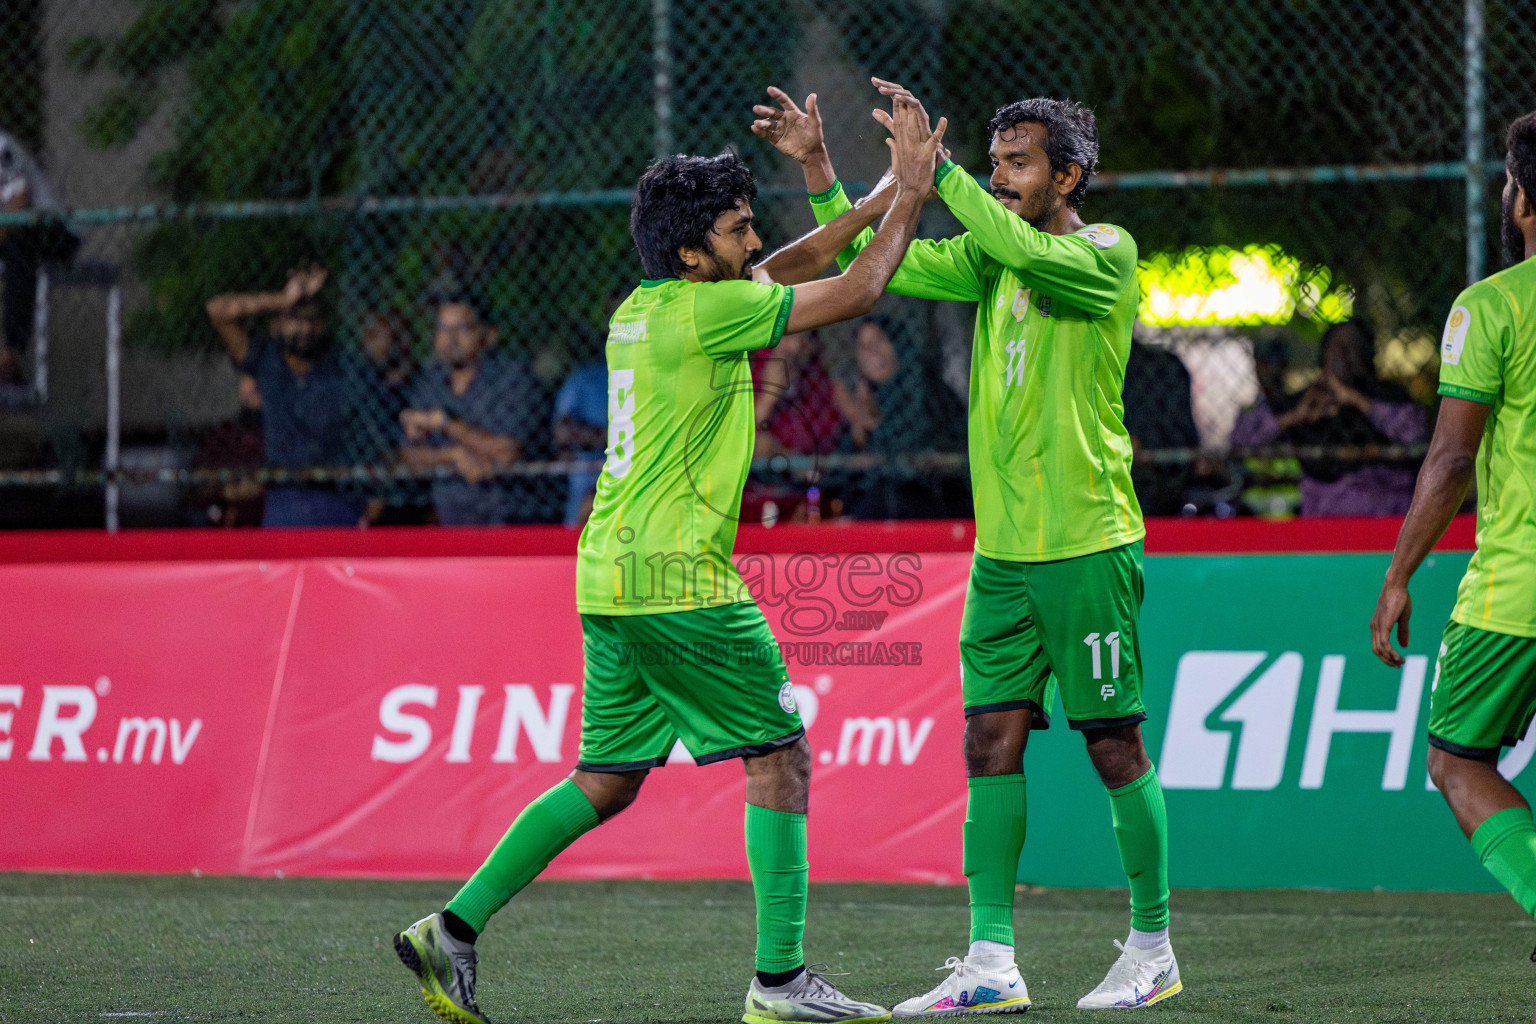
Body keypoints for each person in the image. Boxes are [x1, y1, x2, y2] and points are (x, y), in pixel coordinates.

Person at [392, 94, 947, 1024]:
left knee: (605, 779)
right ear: (694, 254)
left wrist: (860, 180)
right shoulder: (710, 313)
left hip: (607, 576)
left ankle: (450, 932)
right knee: (780, 757)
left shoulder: (647, 308)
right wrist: (914, 197)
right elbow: (854, 290)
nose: (751, 235)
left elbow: (791, 263)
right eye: (736, 228)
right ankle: (780, 985)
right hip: (679, 580)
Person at [755, 79, 1177, 1012]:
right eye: (995, 162)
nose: (1003, 176)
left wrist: (938, 172)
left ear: (1069, 174)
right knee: (989, 743)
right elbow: (882, 265)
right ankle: (992, 962)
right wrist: (827, 172)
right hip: (1004, 557)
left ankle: (1153, 946)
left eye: (1018, 162)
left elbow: (1017, 239)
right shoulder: (993, 262)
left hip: (1087, 545)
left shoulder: (1105, 252)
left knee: (1113, 745)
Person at [1370, 110, 1536, 962]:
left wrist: (1399, 575)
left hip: (1517, 592)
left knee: (1456, 760)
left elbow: (1449, 459)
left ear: (1522, 201)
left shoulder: (1492, 308)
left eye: (1509, 179)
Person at [205, 266, 363, 527]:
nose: (304, 328)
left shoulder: (341, 365)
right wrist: (283, 299)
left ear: (323, 325)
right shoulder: (266, 360)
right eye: (294, 318)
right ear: (276, 324)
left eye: (312, 319)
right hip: (284, 502)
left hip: (338, 500)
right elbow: (218, 310)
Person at [1229, 319, 1427, 516]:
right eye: (1336, 346)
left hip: (1386, 509)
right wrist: (1295, 416)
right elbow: (1239, 441)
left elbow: (1415, 433)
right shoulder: (1306, 399)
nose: (1343, 354)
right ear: (1324, 354)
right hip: (1324, 511)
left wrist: (1357, 400)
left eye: (1352, 346)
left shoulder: (1387, 394)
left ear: (1366, 354)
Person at [399, 295, 541, 525]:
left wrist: (445, 423)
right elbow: (407, 455)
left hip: (509, 517)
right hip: (450, 518)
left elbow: (507, 452)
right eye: (443, 329)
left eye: (462, 329)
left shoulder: (511, 378)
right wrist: (452, 456)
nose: (450, 339)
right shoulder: (431, 381)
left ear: (489, 335)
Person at [0, 132, 79, 366]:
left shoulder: (1, 146)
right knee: (15, 246)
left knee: (19, 244)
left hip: (54, 229)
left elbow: (18, 204)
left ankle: (11, 354)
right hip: (10, 238)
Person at [552, 327, 608, 529]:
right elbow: (564, 431)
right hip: (587, 474)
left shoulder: (650, 374)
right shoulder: (583, 378)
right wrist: (614, 436)